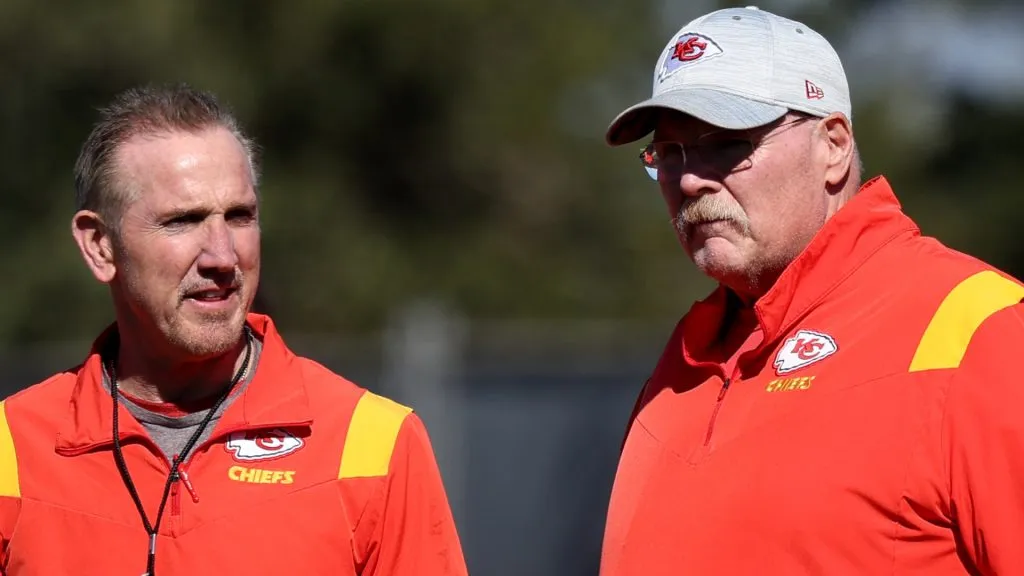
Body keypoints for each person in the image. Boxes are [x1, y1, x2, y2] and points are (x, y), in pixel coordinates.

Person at [599, 6, 1024, 575]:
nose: (689, 178)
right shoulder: (684, 358)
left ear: (833, 144)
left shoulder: (978, 330)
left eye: (724, 143)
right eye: (668, 153)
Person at [0, 84, 468, 575]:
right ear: (100, 246)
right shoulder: (13, 450)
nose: (223, 256)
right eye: (183, 220)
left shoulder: (374, 444)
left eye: (240, 216)